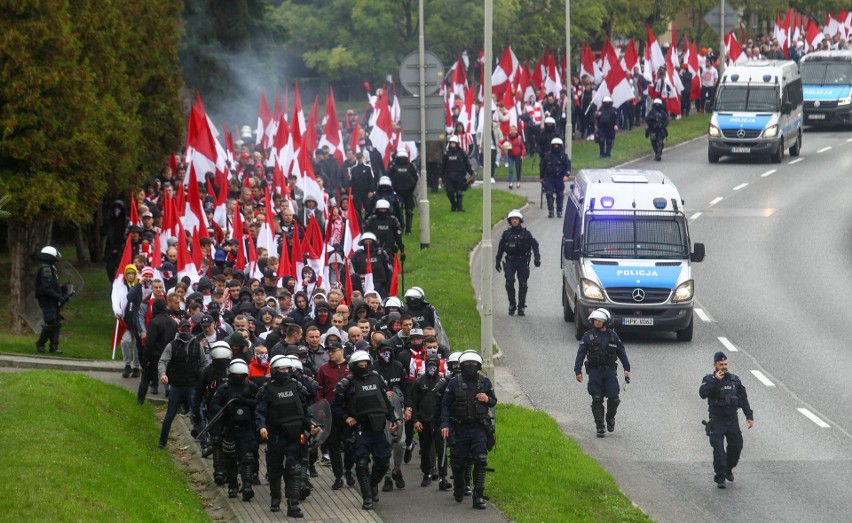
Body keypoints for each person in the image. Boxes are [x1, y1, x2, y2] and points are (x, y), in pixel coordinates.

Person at [332, 351, 397, 511]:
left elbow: (385, 401)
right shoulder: (347, 383)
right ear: (354, 366)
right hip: (360, 429)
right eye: (360, 365)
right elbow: (334, 406)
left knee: (383, 460)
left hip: (378, 428)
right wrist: (347, 417)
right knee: (361, 463)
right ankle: (367, 496)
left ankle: (373, 483)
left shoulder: (377, 378)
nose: (363, 367)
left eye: (365, 364)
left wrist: (393, 418)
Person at [256, 355, 317, 516]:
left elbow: (304, 411)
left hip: (296, 436)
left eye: (287, 369)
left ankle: (293, 504)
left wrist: (310, 426)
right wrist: (262, 427)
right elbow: (260, 411)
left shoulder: (296, 386)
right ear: (274, 371)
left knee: (294, 469)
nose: (285, 372)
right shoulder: (268, 389)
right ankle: (275, 497)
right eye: (281, 369)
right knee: (275, 469)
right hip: (276, 436)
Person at [440, 350, 496, 510]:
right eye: (467, 364)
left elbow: (493, 401)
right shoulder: (453, 383)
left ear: (478, 365)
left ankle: (478, 496)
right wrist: (444, 425)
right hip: (459, 428)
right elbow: (445, 405)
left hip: (478, 428)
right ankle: (459, 486)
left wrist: (487, 399)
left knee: (480, 460)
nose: (470, 366)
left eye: (473, 364)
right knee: (458, 463)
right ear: (462, 365)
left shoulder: (484, 382)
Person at [699, 352, 754, 489]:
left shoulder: (734, 380)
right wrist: (715, 381)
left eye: (725, 364)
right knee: (718, 450)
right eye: (721, 364)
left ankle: (728, 469)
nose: (723, 367)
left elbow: (743, 399)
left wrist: (749, 416)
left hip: (732, 420)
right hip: (717, 420)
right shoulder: (709, 379)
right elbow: (702, 393)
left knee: (736, 447)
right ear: (715, 365)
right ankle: (720, 477)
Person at [574, 308, 631, 438]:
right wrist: (578, 371)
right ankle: (600, 426)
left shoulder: (613, 336)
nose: (597, 322)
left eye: (599, 320)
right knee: (597, 398)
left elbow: (621, 352)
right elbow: (581, 354)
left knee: (614, 397)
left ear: (605, 321)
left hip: (610, 372)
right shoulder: (587, 336)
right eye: (595, 320)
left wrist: (627, 369)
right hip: (594, 373)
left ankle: (610, 417)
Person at [210, 359, 260, 501]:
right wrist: (226, 410)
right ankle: (232, 485)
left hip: (247, 429)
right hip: (229, 429)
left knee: (248, 458)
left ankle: (247, 485)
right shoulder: (223, 389)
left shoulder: (251, 387)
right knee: (230, 459)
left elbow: (259, 404)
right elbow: (214, 406)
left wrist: (244, 402)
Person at [157, 319, 205, 448]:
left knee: (198, 414)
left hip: (192, 386)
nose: (185, 331)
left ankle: (205, 444)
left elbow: (204, 362)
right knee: (170, 416)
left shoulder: (196, 345)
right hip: (176, 387)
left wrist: (202, 377)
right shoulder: (171, 346)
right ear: (179, 330)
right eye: (183, 328)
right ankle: (162, 442)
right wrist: (163, 374)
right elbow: (162, 361)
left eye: (187, 328)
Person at [495, 210, 541, 316]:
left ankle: (521, 306)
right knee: (509, 282)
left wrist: (537, 258)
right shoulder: (506, 234)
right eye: (512, 219)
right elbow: (501, 248)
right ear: (510, 221)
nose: (514, 221)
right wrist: (497, 261)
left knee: (523, 284)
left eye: (516, 219)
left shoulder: (526, 233)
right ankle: (512, 304)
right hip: (510, 261)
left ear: (520, 220)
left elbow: (535, 245)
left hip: (522, 261)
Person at [410, 353, 444, 487]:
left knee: (441, 449)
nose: (432, 368)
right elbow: (413, 402)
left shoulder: (443, 381)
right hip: (423, 421)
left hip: (439, 422)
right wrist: (415, 420)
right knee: (425, 449)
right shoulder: (419, 382)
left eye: (434, 365)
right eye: (429, 365)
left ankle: (443, 477)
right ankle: (426, 473)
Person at [34, 246, 66, 354]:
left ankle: (54, 347)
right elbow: (46, 288)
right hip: (47, 300)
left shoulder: (49, 267)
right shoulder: (46, 268)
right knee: (51, 322)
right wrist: (59, 298)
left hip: (50, 300)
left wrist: (62, 291)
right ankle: (40, 344)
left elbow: (51, 286)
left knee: (56, 322)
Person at [387, 149, 418, 234]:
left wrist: (413, 189)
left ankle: (408, 230)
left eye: (403, 157)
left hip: (408, 192)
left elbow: (416, 178)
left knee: (409, 211)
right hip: (397, 193)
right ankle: (399, 228)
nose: (401, 159)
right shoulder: (393, 166)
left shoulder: (411, 166)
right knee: (398, 211)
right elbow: (388, 177)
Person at [440, 135, 475, 212]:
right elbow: (443, 165)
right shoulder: (447, 153)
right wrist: (441, 176)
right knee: (450, 192)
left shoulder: (462, 153)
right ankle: (454, 205)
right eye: (451, 143)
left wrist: (471, 173)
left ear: (457, 143)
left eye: (453, 143)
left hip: (459, 175)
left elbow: (467, 164)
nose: (452, 144)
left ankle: (459, 208)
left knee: (459, 192)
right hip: (449, 176)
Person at [538, 137, 571, 219]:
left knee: (560, 194)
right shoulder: (547, 156)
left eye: (558, 145)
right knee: (549, 193)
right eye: (554, 145)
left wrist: (566, 175)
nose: (556, 147)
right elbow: (543, 167)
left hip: (560, 178)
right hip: (550, 177)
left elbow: (568, 166)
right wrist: (541, 177)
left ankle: (559, 210)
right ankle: (550, 210)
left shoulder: (564, 156)